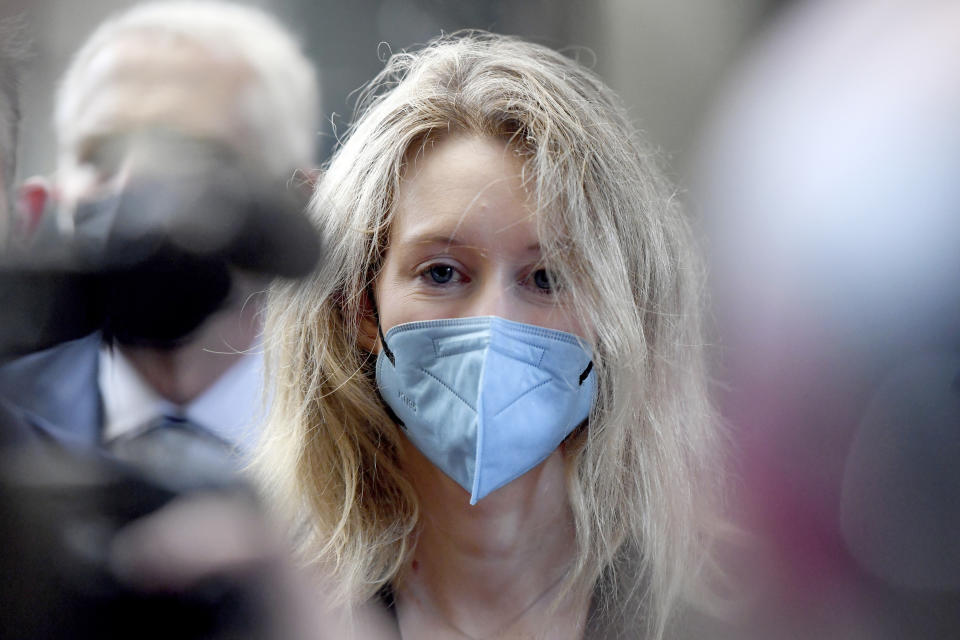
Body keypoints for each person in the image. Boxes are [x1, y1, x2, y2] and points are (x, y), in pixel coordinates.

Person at [255, 32, 725, 639]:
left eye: (547, 277)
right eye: (442, 273)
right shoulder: (275, 614)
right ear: (361, 309)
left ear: (619, 317)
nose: (493, 322)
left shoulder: (727, 616)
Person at [0, 1, 319, 480]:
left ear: (297, 198)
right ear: (45, 201)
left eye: (183, 153)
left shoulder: (380, 430)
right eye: (102, 155)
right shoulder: (12, 413)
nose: (132, 183)